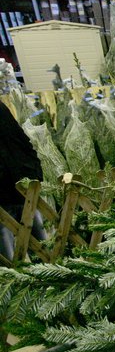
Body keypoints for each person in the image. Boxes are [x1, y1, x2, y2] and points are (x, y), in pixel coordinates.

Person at [0, 100, 46, 262]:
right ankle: (16, 281)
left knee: (41, 243)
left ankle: (48, 276)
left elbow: (21, 141)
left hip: (22, 186)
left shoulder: (1, 109)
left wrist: (34, 170)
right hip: (5, 196)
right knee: (7, 255)